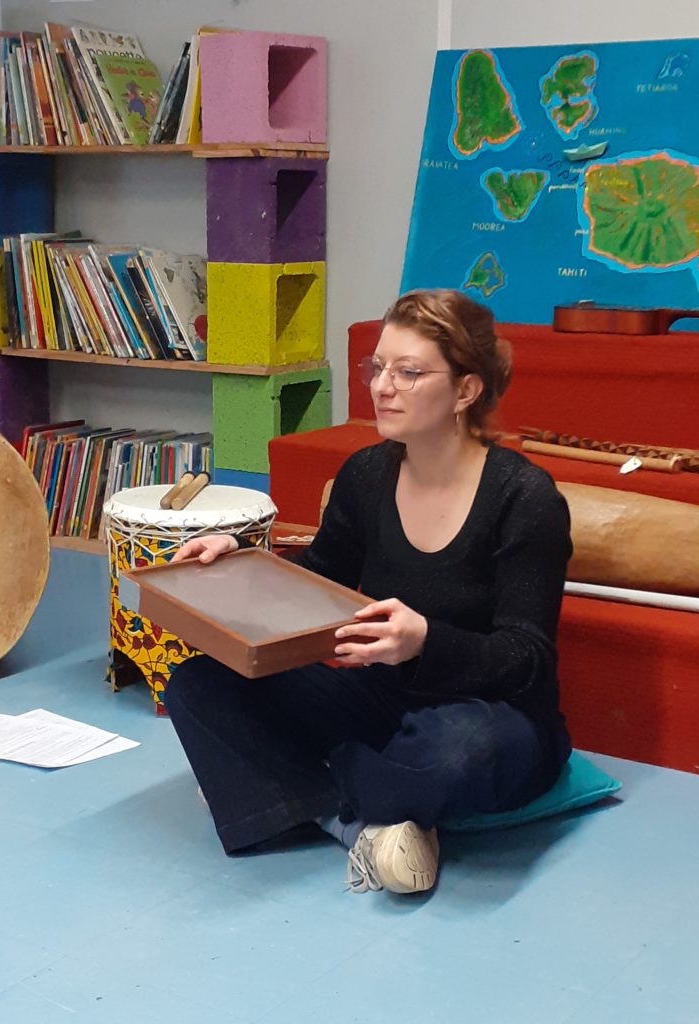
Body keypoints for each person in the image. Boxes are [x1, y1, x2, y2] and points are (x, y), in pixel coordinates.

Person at [164, 288, 573, 895]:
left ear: (466, 390)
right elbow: (320, 574)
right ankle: (354, 822)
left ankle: (300, 785)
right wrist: (241, 560)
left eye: (408, 373)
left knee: (456, 753)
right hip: (381, 698)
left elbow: (527, 659)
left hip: (487, 715)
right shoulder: (366, 473)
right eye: (377, 367)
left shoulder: (525, 498)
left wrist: (424, 641)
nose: (382, 386)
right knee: (198, 683)